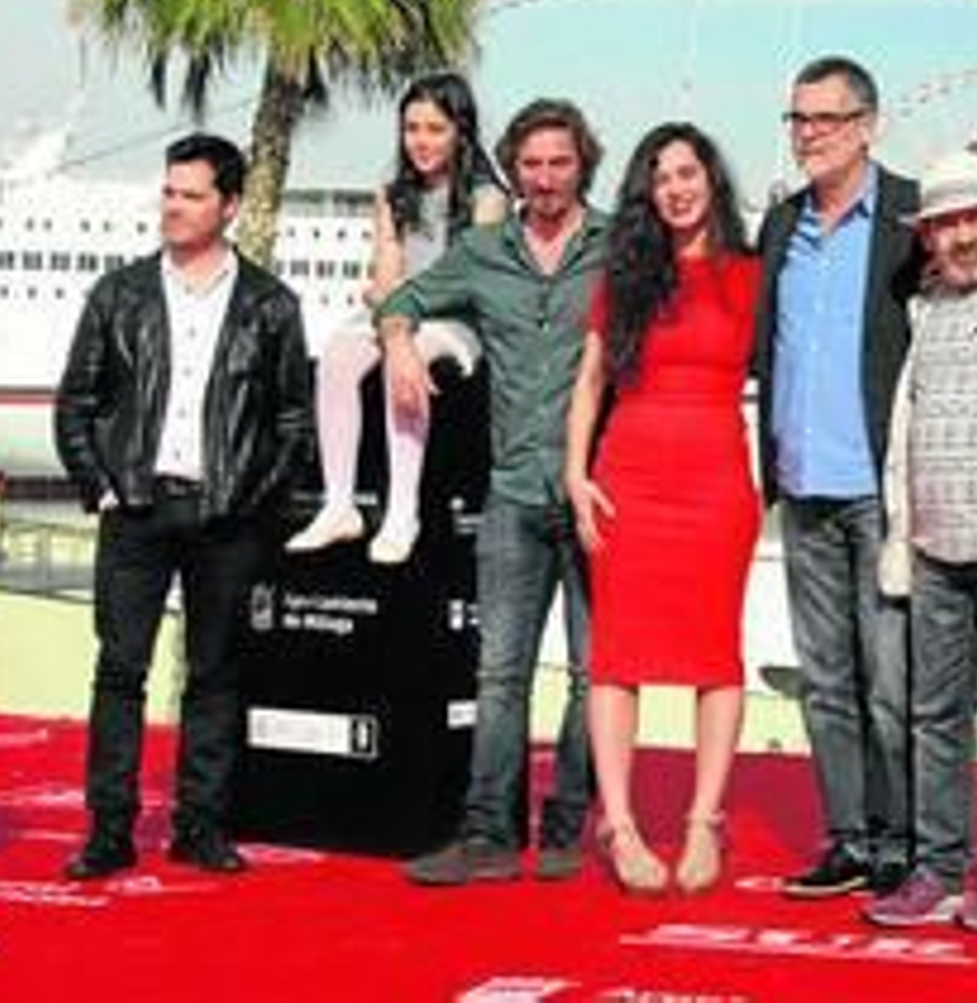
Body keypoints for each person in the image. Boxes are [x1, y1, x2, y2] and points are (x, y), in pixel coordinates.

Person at [54, 133, 312, 879]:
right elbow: (78, 400)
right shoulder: (120, 292)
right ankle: (108, 830)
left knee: (216, 672)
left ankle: (201, 824)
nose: (173, 206)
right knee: (119, 670)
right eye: (169, 190)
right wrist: (102, 485)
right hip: (135, 507)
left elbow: (292, 421)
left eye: (191, 194)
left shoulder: (270, 304)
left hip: (224, 515)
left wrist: (249, 500)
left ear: (228, 206)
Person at [379, 99, 607, 886]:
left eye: (560, 163)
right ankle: (487, 836)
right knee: (499, 673)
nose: (545, 178)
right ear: (514, 169)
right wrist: (401, 345)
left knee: (593, 676)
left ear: (584, 165)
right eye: (532, 164)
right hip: (511, 492)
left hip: (596, 494)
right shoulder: (482, 251)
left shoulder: (618, 248)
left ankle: (569, 827)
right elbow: (400, 298)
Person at [565, 122, 761, 895]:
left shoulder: (750, 276)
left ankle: (702, 820)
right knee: (616, 656)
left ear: (711, 178)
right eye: (660, 177)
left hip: (717, 483)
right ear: (648, 194)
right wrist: (575, 476)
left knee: (717, 654)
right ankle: (619, 822)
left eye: (687, 171)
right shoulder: (625, 279)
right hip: (629, 481)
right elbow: (587, 385)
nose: (676, 187)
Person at [753, 55, 922, 898]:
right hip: (802, 485)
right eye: (798, 119)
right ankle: (850, 837)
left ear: (867, 124)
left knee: (891, 681)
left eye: (825, 119)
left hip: (882, 490)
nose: (809, 134)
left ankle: (907, 841)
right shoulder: (781, 226)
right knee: (825, 679)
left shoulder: (910, 218)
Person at [864, 151, 977, 930]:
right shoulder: (922, 308)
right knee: (936, 713)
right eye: (945, 224)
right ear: (927, 236)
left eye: (974, 219)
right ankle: (937, 866)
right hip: (933, 546)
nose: (962, 235)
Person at [286, 71, 507, 564]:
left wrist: (400, 316)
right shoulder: (390, 194)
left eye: (435, 128)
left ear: (460, 131)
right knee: (339, 356)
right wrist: (390, 307)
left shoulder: (487, 198)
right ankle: (339, 503)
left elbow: (467, 277)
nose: (421, 141)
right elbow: (385, 267)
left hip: (455, 320)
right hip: (398, 312)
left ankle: (403, 509)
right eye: (412, 128)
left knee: (408, 360)